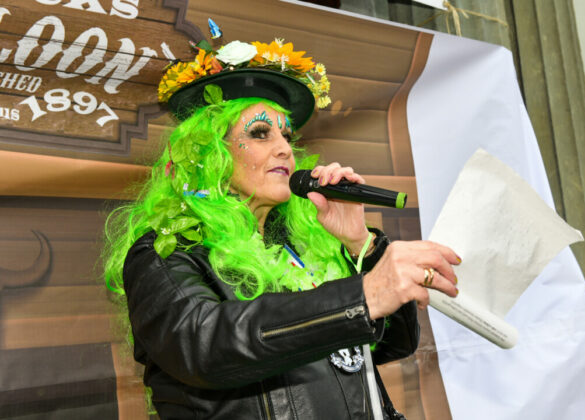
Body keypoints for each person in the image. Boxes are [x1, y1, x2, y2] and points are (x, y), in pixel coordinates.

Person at [103, 36, 459, 419]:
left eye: (286, 135)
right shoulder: (166, 251)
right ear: (209, 153)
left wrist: (361, 246)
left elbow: (392, 346)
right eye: (260, 133)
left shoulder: (302, 249)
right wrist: (363, 294)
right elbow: (203, 343)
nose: (285, 149)